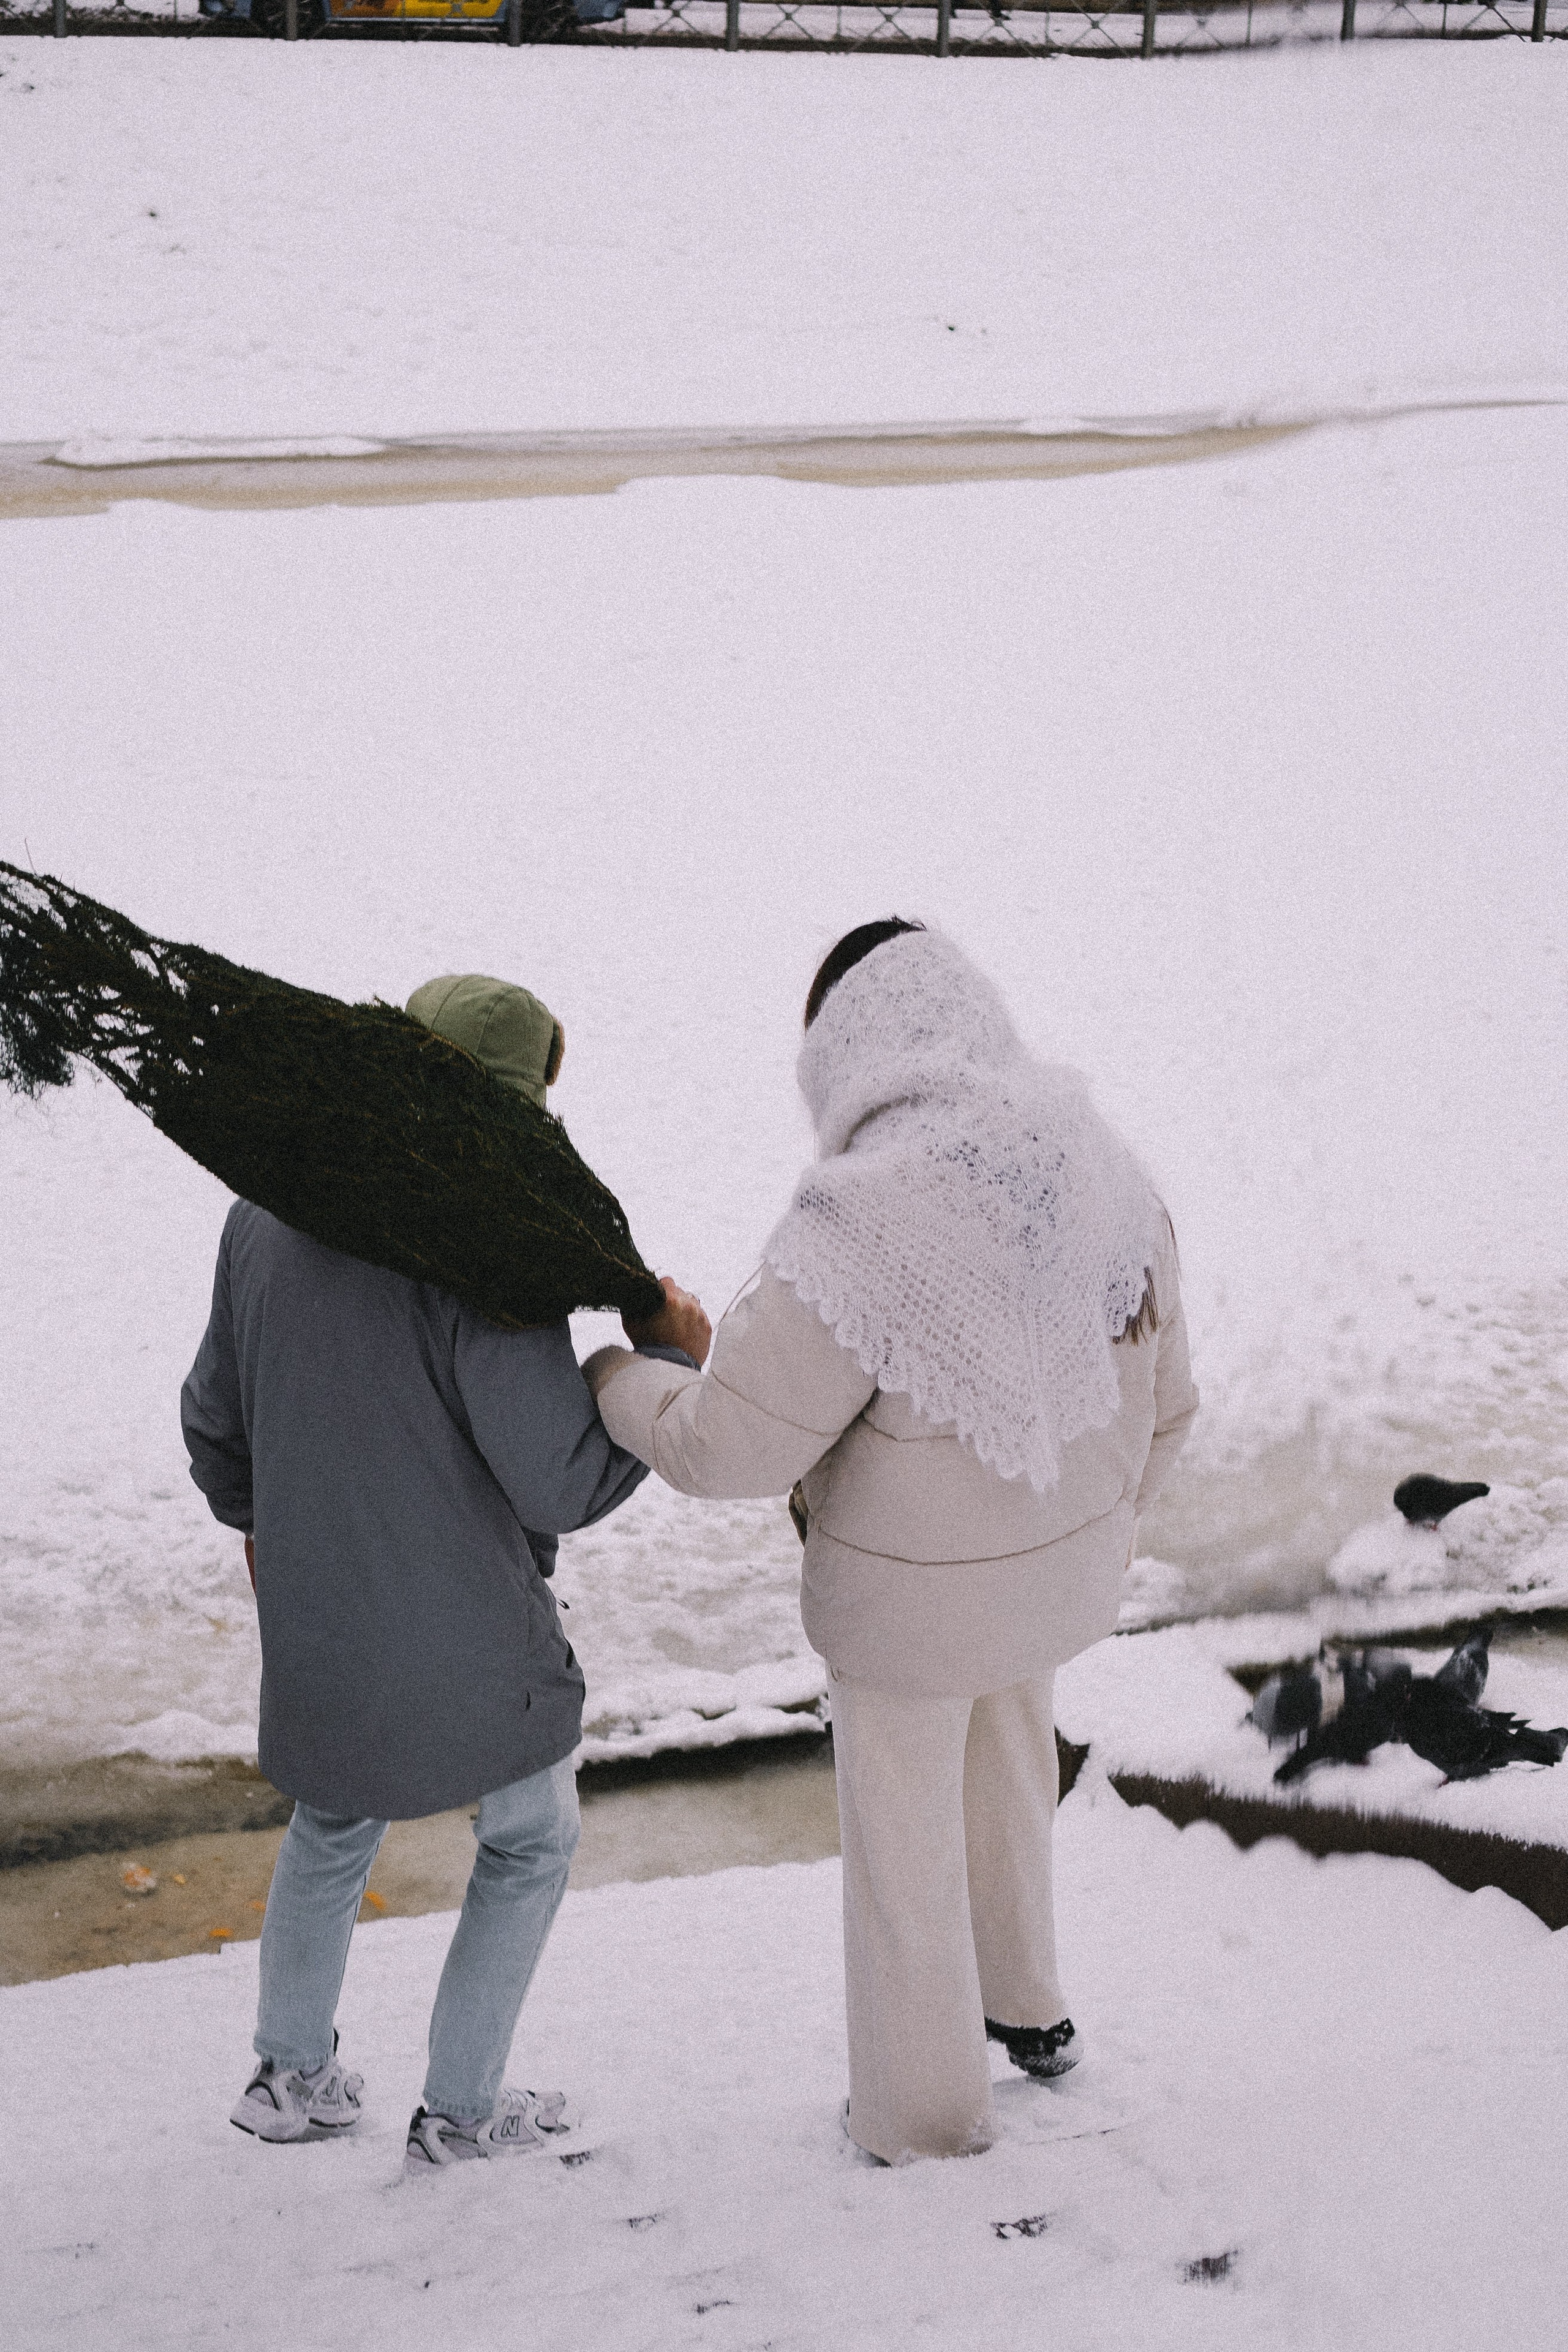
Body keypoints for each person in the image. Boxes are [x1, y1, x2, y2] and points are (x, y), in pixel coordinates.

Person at [586, 921, 1197, 2166]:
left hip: (906, 1614)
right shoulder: (1102, 1168)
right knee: (1010, 1774)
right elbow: (1169, 1405)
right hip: (1061, 1580)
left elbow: (728, 1450)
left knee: (904, 1851)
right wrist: (1086, 1527)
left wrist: (614, 1373)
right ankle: (1029, 2012)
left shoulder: (852, 1229)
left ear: (846, 1052)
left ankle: (921, 2119)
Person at [181, 971, 710, 2172]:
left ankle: (288, 2078)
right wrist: (656, 1364)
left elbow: (214, 1417)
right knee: (528, 1838)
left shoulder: (265, 1208)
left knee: (332, 1819)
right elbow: (558, 1482)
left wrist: (266, 1530)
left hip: (314, 1611)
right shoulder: (485, 1250)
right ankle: (462, 2113)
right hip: (464, 1633)